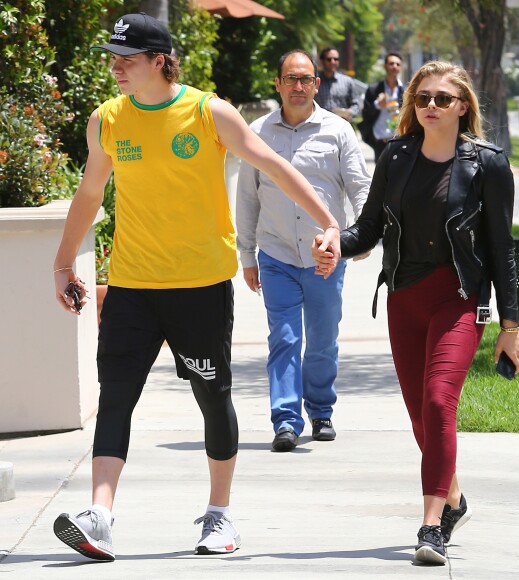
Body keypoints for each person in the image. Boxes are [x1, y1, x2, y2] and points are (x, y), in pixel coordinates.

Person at [51, 13, 341, 562]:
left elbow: (274, 166)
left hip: (200, 288)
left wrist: (328, 223)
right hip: (133, 285)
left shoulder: (208, 112)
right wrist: (64, 263)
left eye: (126, 59)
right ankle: (101, 516)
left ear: (159, 60)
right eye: (113, 58)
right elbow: (90, 194)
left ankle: (219, 515)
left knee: (214, 399)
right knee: (116, 398)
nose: (115, 69)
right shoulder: (107, 120)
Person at [314, 61, 519, 565]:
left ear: (463, 107)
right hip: (404, 298)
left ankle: (430, 528)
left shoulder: (487, 165)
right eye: (423, 98)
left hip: (458, 298)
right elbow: (367, 230)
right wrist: (333, 243)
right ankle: (455, 500)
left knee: (438, 403)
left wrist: (510, 326)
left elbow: (502, 248)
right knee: (419, 421)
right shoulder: (396, 156)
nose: (431, 106)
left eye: (442, 99)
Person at [236, 49, 370, 452]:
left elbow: (360, 187)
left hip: (324, 258)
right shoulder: (257, 132)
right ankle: (286, 420)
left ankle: (321, 410)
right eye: (290, 79)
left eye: (306, 79)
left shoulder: (338, 131)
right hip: (275, 255)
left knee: (323, 339)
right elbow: (247, 197)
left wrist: (358, 237)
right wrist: (247, 255)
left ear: (317, 84)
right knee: (285, 338)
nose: (298, 86)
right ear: (277, 83)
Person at [358, 52, 404, 162]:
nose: (394, 66)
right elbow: (365, 114)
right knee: (381, 177)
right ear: (385, 66)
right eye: (391, 63)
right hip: (379, 141)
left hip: (399, 140)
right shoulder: (374, 90)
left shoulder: (405, 91)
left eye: (397, 64)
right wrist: (377, 105)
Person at [314, 46, 360, 121]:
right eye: (329, 59)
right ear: (322, 61)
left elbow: (356, 104)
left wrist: (350, 112)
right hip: (319, 126)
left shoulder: (347, 81)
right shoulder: (314, 82)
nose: (333, 62)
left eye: (336, 59)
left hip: (341, 126)